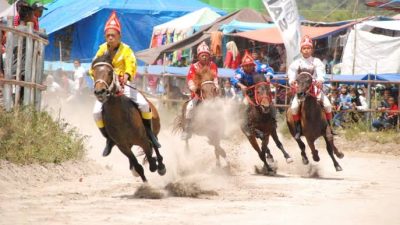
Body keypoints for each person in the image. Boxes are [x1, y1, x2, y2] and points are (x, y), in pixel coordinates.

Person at [91, 11, 161, 156]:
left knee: (144, 105)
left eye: (113, 35)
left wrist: (127, 75)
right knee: (96, 112)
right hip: (107, 88)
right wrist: (99, 83)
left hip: (124, 85)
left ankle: (150, 135)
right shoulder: (101, 50)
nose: (110, 38)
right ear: (105, 36)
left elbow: (131, 65)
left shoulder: (126, 50)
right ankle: (109, 140)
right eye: (108, 35)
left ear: (119, 36)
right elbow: (94, 68)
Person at [288, 35, 334, 140]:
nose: (306, 50)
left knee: (327, 105)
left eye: (308, 48)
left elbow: (321, 73)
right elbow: (292, 73)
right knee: (294, 107)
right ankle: (299, 129)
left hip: (314, 89)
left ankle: (329, 127)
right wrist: (291, 81)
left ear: (311, 49)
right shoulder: (296, 62)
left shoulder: (316, 61)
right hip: (301, 89)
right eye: (304, 48)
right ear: (301, 50)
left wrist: (320, 80)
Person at [230, 51, 275, 136]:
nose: (248, 67)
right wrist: (241, 85)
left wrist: (269, 76)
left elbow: (269, 69)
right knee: (244, 104)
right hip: (248, 93)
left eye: (250, 65)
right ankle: (245, 125)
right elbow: (233, 79)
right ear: (243, 66)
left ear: (253, 64)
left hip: (260, 91)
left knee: (270, 102)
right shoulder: (240, 71)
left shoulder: (258, 67)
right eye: (246, 66)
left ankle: (273, 121)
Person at [181, 41, 219, 140]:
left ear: (209, 56)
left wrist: (216, 86)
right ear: (198, 56)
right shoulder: (194, 66)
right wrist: (193, 88)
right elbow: (190, 78)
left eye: (206, 55)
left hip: (210, 91)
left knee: (220, 106)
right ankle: (186, 130)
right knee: (189, 107)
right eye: (202, 55)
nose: (204, 57)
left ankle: (219, 128)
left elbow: (215, 77)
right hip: (198, 92)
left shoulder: (213, 65)